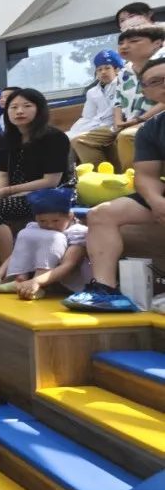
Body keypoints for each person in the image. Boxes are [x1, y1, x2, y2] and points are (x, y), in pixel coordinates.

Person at [64, 57, 165, 312]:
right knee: (101, 214)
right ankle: (105, 290)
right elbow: (146, 176)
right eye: (155, 82)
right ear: (146, 92)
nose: (163, 85)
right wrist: (156, 201)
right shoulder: (151, 129)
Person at [0, 88, 74, 265]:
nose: (19, 111)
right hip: (16, 193)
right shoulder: (7, 139)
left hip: (50, 193)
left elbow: (51, 181)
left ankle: (12, 267)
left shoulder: (55, 137)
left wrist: (7, 191)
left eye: (27, 106)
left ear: (39, 109)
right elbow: (3, 175)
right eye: (13, 107)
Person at [71, 26, 165, 170]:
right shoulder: (124, 73)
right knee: (80, 140)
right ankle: (103, 178)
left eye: (133, 41)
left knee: (126, 136)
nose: (124, 46)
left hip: (154, 120)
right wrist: (118, 122)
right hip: (128, 122)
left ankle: (133, 180)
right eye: (121, 43)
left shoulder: (160, 68)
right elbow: (118, 101)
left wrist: (139, 119)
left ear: (157, 44)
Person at [0, 188, 89, 300]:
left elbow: (69, 264)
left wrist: (37, 281)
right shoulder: (35, 227)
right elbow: (18, 252)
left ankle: (39, 285)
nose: (49, 225)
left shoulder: (77, 232)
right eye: (42, 221)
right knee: (27, 233)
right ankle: (20, 279)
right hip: (38, 279)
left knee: (54, 237)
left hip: (68, 280)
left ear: (70, 216)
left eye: (55, 221)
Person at [66, 50, 123, 142]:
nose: (103, 72)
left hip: (111, 126)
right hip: (93, 126)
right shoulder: (91, 92)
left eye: (107, 68)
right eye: (99, 69)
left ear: (117, 70)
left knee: (76, 140)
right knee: (64, 139)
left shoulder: (122, 86)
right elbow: (87, 116)